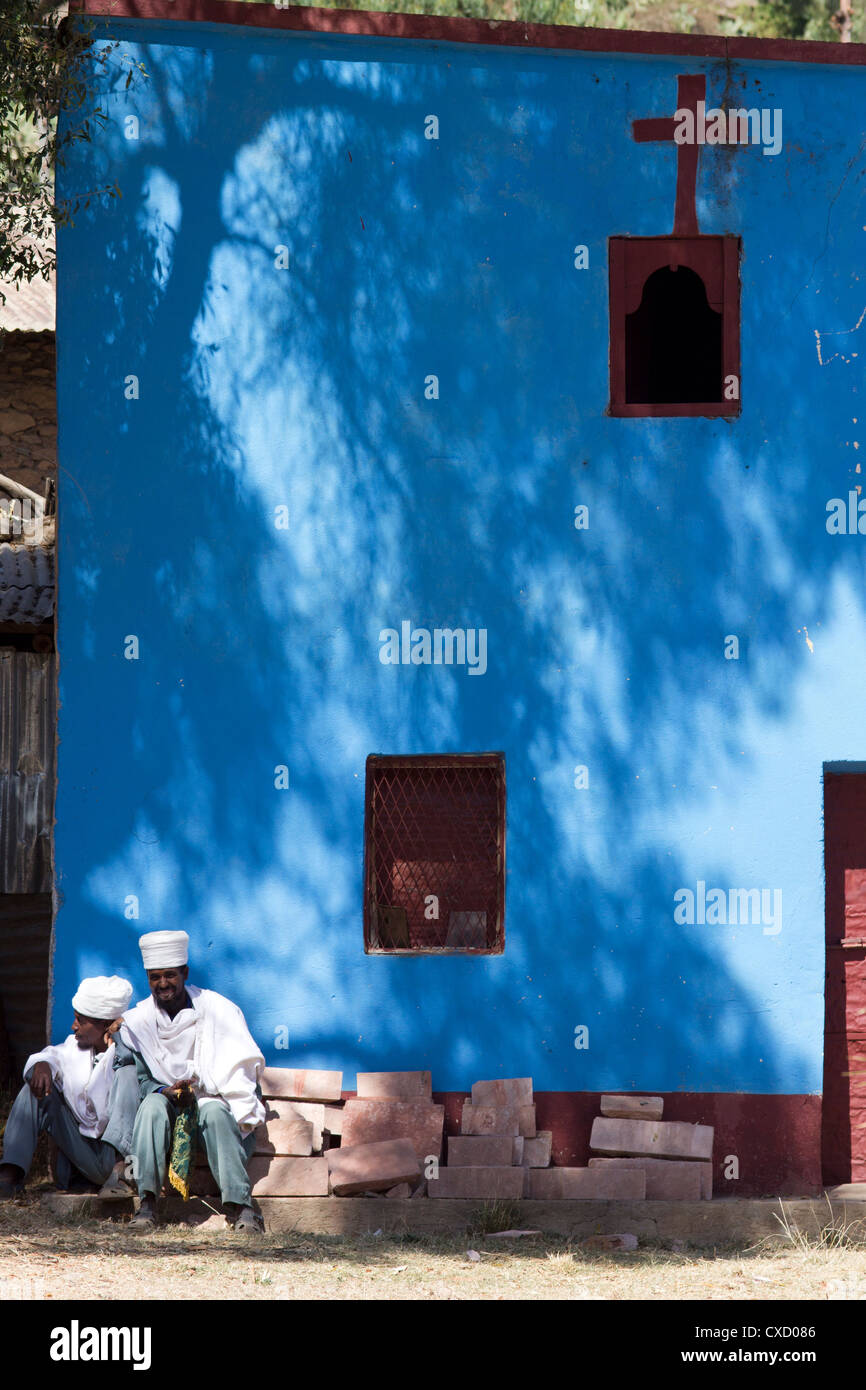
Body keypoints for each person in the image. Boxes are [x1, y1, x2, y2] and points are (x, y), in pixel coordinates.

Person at [120, 930, 265, 1232]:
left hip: (216, 1119)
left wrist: (206, 1090)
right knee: (151, 1106)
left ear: (185, 973)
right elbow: (145, 1082)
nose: (162, 984)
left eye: (170, 976)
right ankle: (147, 1206)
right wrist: (166, 1091)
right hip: (171, 1120)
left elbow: (242, 1078)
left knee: (212, 1109)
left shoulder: (219, 1011)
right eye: (154, 977)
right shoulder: (140, 1023)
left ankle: (242, 1209)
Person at [0, 975, 138, 1201]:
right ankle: (9, 1175)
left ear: (106, 1025)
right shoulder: (77, 1048)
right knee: (35, 1087)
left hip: (117, 1159)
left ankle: (123, 1177)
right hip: (84, 1153)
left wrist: (120, 1038)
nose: (74, 1026)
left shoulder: (130, 1051)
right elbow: (52, 1055)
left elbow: (133, 1066)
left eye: (81, 1021)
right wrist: (42, 1065)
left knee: (129, 1075)